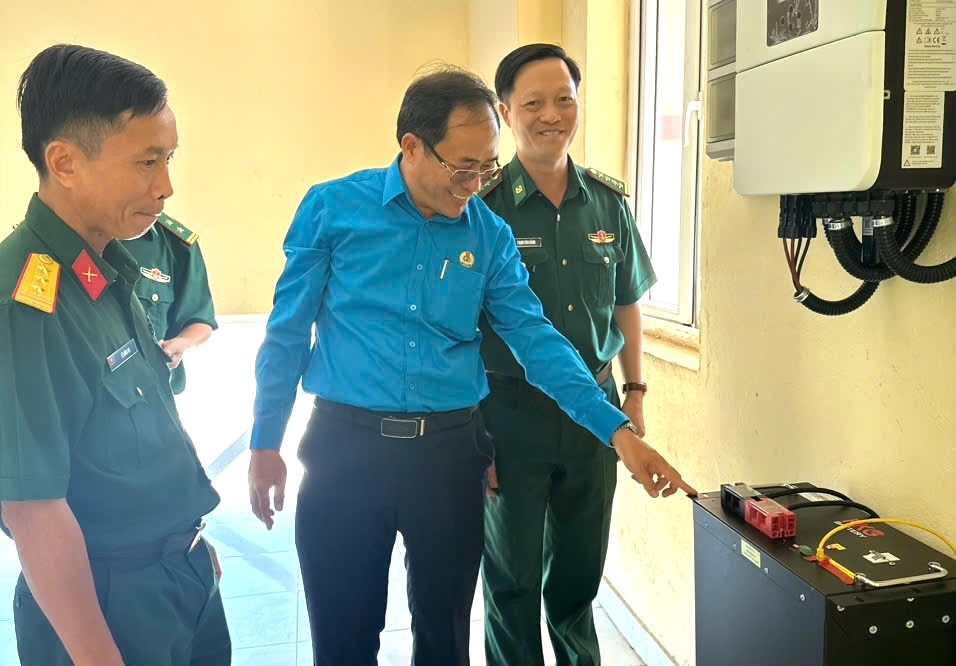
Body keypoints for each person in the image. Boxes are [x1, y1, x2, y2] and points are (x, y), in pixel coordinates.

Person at [247, 65, 695, 666]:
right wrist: (263, 441)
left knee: (444, 635)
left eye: (486, 166)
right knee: (345, 636)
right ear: (411, 146)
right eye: (464, 167)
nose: (476, 182)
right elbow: (285, 332)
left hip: (448, 458)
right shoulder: (334, 209)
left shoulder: (488, 235)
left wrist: (615, 430)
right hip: (345, 452)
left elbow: (537, 340)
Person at [0, 44, 230, 666]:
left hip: (178, 577)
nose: (166, 186)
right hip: (107, 603)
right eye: (147, 162)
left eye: (169, 158)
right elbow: (32, 508)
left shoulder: (106, 271)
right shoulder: (26, 300)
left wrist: (188, 549)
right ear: (65, 162)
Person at [476, 43, 657, 666]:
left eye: (564, 99)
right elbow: (460, 328)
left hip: (596, 411)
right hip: (508, 412)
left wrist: (633, 394)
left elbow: (627, 302)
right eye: (532, 103)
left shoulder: (608, 203)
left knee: (580, 573)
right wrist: (475, 431)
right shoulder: (481, 207)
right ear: (505, 112)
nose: (551, 114)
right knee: (512, 577)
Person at [121, 213, 218, 394]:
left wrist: (183, 342)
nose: (164, 190)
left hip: (150, 395)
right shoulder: (73, 230)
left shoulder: (176, 244)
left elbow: (201, 321)